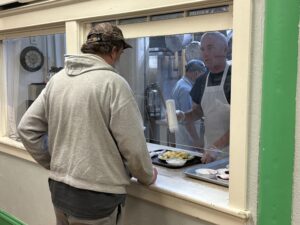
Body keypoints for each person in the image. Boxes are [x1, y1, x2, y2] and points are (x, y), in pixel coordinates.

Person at [18, 22, 157, 225]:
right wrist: (146, 175)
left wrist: (56, 162)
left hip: (60, 190)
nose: (119, 58)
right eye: (120, 52)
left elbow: (26, 129)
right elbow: (133, 146)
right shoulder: (113, 83)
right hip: (95, 198)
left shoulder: (57, 80)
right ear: (114, 50)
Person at [177, 31, 231, 163]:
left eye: (210, 48)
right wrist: (183, 116)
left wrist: (216, 147)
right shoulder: (202, 80)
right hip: (209, 154)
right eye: (203, 49)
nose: (205, 53)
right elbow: (198, 111)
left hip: (233, 154)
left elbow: (240, 123)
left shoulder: (235, 77)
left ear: (225, 49)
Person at [171, 59, 206, 150]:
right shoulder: (186, 90)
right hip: (188, 140)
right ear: (196, 73)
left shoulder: (180, 83)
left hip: (182, 137)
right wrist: (196, 140)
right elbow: (188, 119)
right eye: (202, 75)